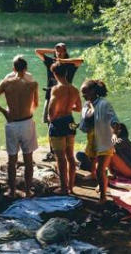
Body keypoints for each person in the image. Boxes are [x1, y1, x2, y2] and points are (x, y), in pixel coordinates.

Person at [0, 55, 39, 198]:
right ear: (26, 68)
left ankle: (12, 191)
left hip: (12, 124)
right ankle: (28, 191)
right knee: (28, 159)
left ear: (13, 68)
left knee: (12, 160)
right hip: (27, 122)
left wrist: (5, 112)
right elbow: (36, 105)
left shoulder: (6, 83)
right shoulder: (33, 84)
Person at [80, 79, 120, 204]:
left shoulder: (104, 104)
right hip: (92, 139)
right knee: (92, 160)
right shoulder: (87, 105)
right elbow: (86, 122)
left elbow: (115, 121)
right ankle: (94, 176)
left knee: (100, 170)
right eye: (82, 93)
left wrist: (114, 133)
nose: (83, 95)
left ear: (93, 91)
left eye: (85, 92)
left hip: (105, 140)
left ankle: (103, 197)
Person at [48, 62, 82, 195]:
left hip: (59, 122)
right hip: (70, 121)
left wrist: (52, 118)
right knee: (70, 156)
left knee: (60, 158)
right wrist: (68, 108)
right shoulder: (74, 89)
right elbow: (78, 108)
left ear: (54, 74)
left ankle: (63, 188)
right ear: (66, 73)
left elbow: (51, 110)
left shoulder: (56, 89)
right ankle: (71, 186)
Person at [35, 43, 83, 125]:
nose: (59, 52)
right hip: (50, 96)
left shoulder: (70, 64)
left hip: (65, 97)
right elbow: (37, 51)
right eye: (58, 50)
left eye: (61, 51)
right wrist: (54, 51)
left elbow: (81, 61)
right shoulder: (51, 62)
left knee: (65, 120)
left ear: (65, 52)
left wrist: (62, 60)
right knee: (49, 122)